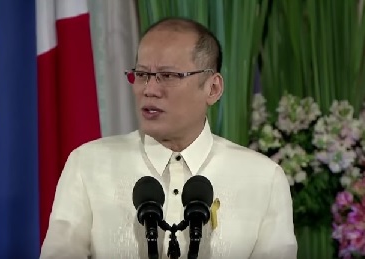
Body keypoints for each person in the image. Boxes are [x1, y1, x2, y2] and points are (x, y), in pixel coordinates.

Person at [40, 17, 297, 259]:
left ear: (213, 88)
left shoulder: (263, 178)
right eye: (141, 74)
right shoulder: (88, 164)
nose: (149, 89)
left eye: (169, 75)